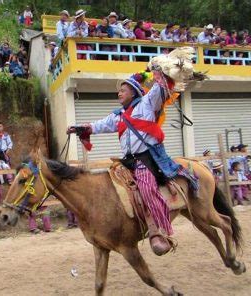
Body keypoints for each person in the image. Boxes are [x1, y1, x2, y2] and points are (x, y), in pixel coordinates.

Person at [67, 73, 197, 256]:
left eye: (123, 90)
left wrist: (161, 71)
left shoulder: (147, 104)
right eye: (118, 91)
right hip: (128, 161)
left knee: (145, 185)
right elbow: (99, 125)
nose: (119, 93)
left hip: (147, 158)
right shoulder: (118, 116)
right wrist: (78, 128)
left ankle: (157, 230)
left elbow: (160, 88)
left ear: (134, 93)